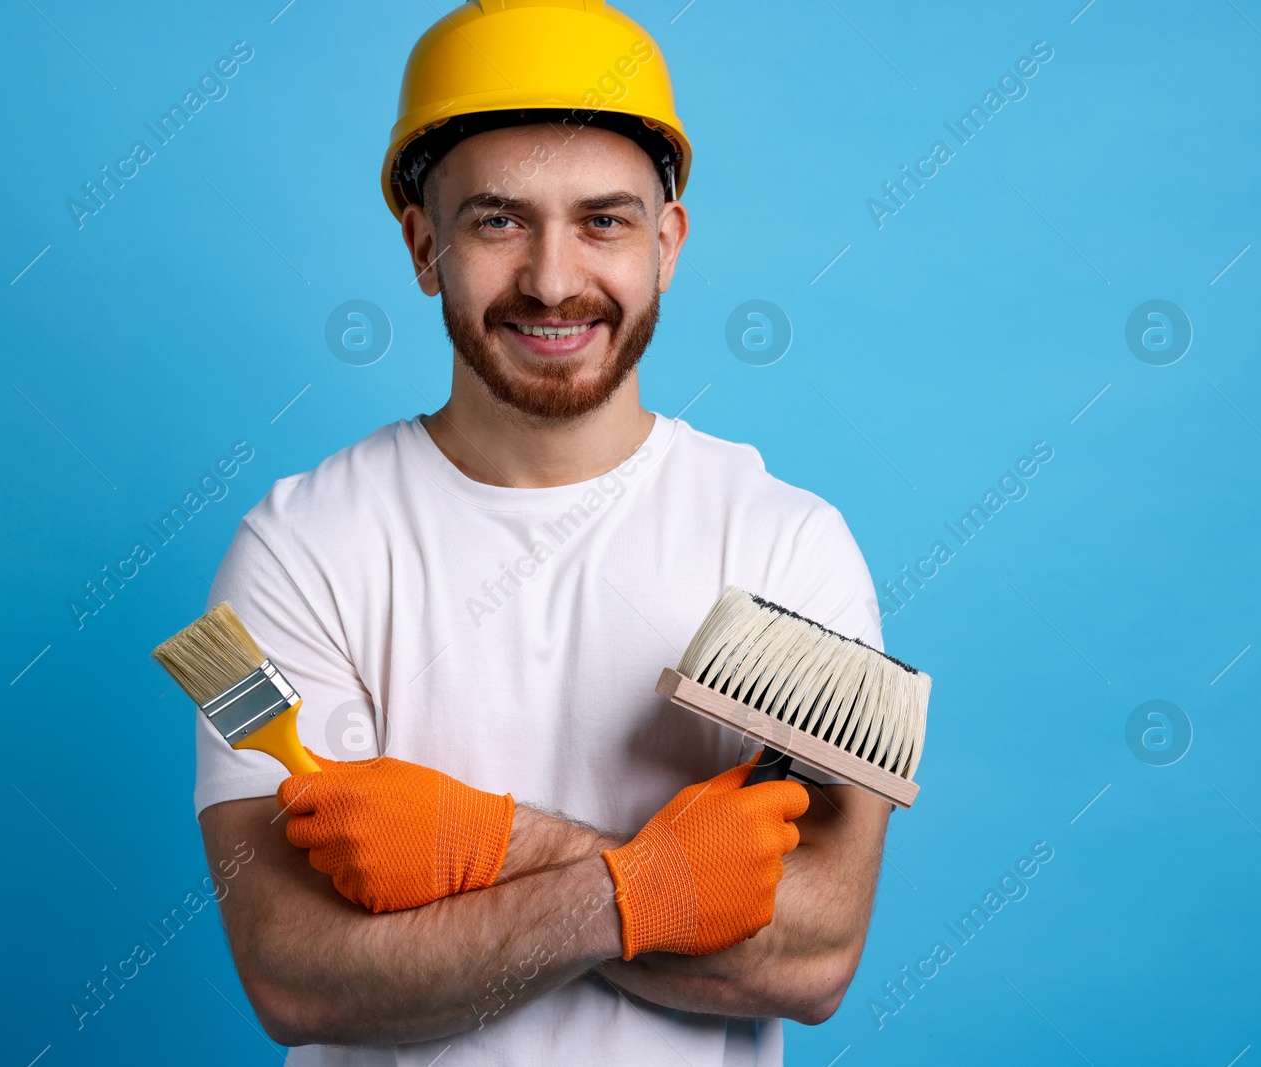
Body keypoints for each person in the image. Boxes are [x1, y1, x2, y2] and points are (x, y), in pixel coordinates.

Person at [195, 2, 892, 1063]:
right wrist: (651, 889)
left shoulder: (786, 545)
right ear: (425, 244)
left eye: (603, 221)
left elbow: (809, 957)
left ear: (667, 245)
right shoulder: (298, 549)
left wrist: (498, 846)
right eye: (498, 220)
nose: (554, 280)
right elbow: (298, 974)